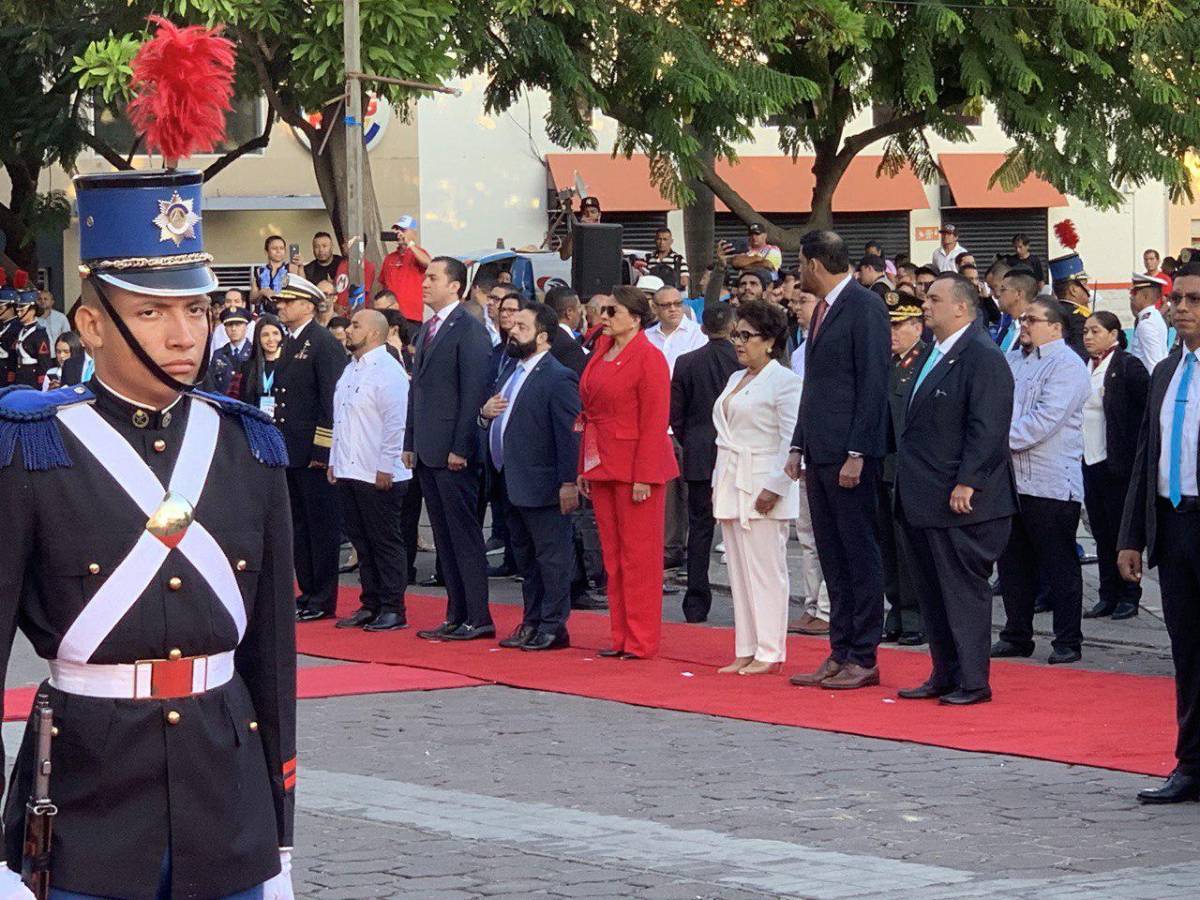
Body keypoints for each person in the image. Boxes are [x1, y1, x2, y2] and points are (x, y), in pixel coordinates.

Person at [0, 167, 295, 897]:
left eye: (195, 311)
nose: (184, 333)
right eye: (154, 312)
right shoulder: (32, 448)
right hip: (84, 799)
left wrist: (280, 830)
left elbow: (272, 653)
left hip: (226, 794)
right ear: (92, 325)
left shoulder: (248, 445)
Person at [889, 274, 1018, 706]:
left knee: (962, 593)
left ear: (961, 308)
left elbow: (989, 426)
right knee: (932, 594)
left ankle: (973, 681)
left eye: (934, 298)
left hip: (962, 501)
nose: (925, 306)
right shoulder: (933, 352)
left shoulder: (981, 355)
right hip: (923, 497)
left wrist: (969, 480)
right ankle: (944, 672)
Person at [785, 230, 890, 691]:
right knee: (832, 555)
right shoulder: (822, 311)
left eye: (801, 262)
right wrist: (797, 443)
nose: (797, 272)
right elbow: (816, 385)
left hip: (850, 455)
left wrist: (857, 451)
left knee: (857, 554)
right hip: (820, 451)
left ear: (815, 263)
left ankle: (863, 655)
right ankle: (840, 649)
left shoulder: (864, 307)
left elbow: (872, 383)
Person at [1119, 264, 1200, 804]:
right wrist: (1131, 535)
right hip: (1174, 526)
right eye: (1179, 300)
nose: (1181, 308)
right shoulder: (1169, 369)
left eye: (1193, 300)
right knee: (1188, 651)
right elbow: (1147, 455)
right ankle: (1191, 763)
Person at [578, 285, 679, 659]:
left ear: (634, 318)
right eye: (603, 310)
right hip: (603, 460)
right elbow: (590, 414)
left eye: (612, 312)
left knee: (639, 558)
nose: (603, 317)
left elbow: (655, 420)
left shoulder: (648, 358)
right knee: (613, 556)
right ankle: (620, 634)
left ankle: (641, 638)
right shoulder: (601, 351)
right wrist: (585, 467)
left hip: (636, 466)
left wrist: (644, 476)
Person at [993, 298, 1092, 664]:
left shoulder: (1067, 365)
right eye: (1023, 319)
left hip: (1050, 479)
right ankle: (1016, 634)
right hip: (1011, 477)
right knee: (1013, 561)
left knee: (1058, 561)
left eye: (1032, 319)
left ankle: (1068, 639)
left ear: (1056, 327)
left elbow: (1044, 421)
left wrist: (994, 441)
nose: (1024, 324)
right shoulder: (1014, 359)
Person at [404, 256, 495, 641]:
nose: (425, 284)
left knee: (463, 535)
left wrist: (461, 446)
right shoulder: (429, 328)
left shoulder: (467, 329)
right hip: (428, 448)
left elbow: (473, 392)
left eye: (433, 278)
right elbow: (418, 390)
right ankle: (456, 613)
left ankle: (478, 615)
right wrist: (410, 440)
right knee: (443, 536)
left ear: (455, 285)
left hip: (453, 451)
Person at [482, 302, 581, 650]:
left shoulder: (558, 376)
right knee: (526, 559)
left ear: (542, 337)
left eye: (522, 326)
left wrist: (568, 482)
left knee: (551, 559)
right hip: (512, 480)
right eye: (512, 325)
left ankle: (553, 625)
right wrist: (485, 415)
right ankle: (532, 620)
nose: (512, 330)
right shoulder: (513, 371)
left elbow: (569, 435)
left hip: (544, 484)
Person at [712, 300, 803, 675]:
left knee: (766, 569)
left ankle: (770, 648)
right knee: (739, 569)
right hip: (733, 477)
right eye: (736, 334)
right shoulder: (736, 379)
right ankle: (746, 646)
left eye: (746, 336)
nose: (739, 342)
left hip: (764, 478)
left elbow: (790, 441)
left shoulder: (786, 381)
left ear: (769, 341)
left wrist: (777, 486)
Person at [329, 309, 412, 632]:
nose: (348, 330)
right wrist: (335, 459)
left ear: (374, 334)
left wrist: (386, 465)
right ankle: (371, 602)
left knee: (385, 541)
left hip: (379, 471)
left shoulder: (387, 370)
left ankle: (393, 606)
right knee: (361, 541)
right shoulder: (351, 369)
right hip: (352, 468)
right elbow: (341, 420)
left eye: (355, 325)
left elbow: (396, 423)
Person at [273, 275, 349, 622]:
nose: (281, 307)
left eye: (288, 302)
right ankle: (308, 590)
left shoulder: (322, 342)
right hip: (291, 449)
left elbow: (330, 402)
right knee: (300, 526)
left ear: (306, 305)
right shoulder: (291, 342)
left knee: (321, 528)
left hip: (313, 452)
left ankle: (323, 596)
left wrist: (323, 452)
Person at [670, 303, 739, 623]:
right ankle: (746, 602)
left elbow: (676, 415)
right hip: (736, 449)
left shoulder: (686, 362)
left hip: (698, 450)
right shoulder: (742, 361)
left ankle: (695, 603)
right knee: (739, 529)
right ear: (734, 327)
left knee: (699, 529)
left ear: (702, 328)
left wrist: (692, 440)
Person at [1081, 311, 1149, 620]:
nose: (1088, 337)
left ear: (1114, 334)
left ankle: (1129, 594)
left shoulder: (1126, 366)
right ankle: (1107, 593)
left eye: (1095, 331)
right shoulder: (1085, 366)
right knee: (1100, 530)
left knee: (1122, 531)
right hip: (1089, 460)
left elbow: (1146, 411)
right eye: (1085, 331)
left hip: (1117, 462)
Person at [646, 286, 707, 573]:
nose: (673, 309)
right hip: (657, 423)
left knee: (688, 489)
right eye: (666, 305)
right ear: (655, 308)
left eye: (677, 303)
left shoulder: (697, 335)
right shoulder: (646, 337)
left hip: (688, 420)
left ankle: (687, 548)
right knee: (668, 492)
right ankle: (670, 546)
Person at [880, 293, 927, 645]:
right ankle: (896, 610)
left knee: (911, 548)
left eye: (898, 325)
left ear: (917, 325)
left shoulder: (925, 362)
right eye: (889, 325)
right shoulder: (888, 363)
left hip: (911, 470)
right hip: (885, 468)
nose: (891, 332)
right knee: (888, 546)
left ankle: (915, 616)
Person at [785, 289, 830, 635]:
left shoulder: (830, 347)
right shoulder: (800, 351)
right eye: (795, 302)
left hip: (829, 450)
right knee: (807, 535)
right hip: (806, 447)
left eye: (805, 301)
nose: (797, 308)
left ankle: (828, 608)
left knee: (827, 534)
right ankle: (812, 603)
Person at [378, 215, 431, 329]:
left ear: (413, 233)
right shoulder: (389, 258)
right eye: (397, 229)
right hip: (390, 314)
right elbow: (383, 285)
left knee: (411, 346)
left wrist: (410, 244)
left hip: (411, 316)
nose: (399, 233)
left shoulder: (419, 253)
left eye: (403, 230)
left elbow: (429, 264)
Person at [7, 277, 51, 387]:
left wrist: (41, 383)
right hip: (20, 376)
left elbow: (44, 361)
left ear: (32, 309)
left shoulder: (39, 333)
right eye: (17, 310)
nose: (19, 313)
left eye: (22, 309)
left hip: (32, 378)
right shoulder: (20, 330)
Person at [235, 314, 285, 411]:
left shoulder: (290, 365)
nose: (271, 339)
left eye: (275, 333)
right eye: (265, 335)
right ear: (258, 339)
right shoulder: (247, 367)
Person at [206, 306, 254, 395]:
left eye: (238, 324)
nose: (233, 329)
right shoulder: (218, 354)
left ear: (246, 327)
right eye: (229, 325)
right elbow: (211, 385)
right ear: (225, 329)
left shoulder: (254, 352)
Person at [1129, 272, 1170, 373]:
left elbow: (1154, 363)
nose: (1131, 297)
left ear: (1145, 297)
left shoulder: (1147, 323)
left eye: (1134, 293)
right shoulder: (1153, 316)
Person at [544, 285, 588, 375]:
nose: (582, 311)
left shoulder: (538, 334)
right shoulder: (570, 347)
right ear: (569, 312)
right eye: (579, 307)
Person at [250, 234, 292, 307]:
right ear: (266, 251)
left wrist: (300, 266)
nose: (278, 251)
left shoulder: (290, 268)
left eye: (281, 248)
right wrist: (262, 292)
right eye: (274, 248)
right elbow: (252, 299)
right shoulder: (259, 271)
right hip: (263, 313)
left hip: (284, 311)